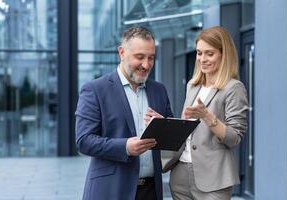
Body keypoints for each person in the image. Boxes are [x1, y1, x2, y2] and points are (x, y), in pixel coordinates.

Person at [75, 27, 173, 200]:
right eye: (140, 57)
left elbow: (173, 139)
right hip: (110, 190)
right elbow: (84, 141)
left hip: (151, 191)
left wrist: (164, 125)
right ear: (122, 52)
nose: (146, 64)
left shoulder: (159, 90)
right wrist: (125, 147)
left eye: (151, 58)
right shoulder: (95, 90)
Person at [156, 26, 248, 200]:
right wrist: (164, 123)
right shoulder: (192, 85)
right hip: (180, 174)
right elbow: (186, 127)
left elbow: (234, 138)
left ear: (223, 55)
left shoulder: (234, 88)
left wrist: (207, 116)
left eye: (209, 54)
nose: (202, 59)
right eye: (199, 53)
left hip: (213, 178)